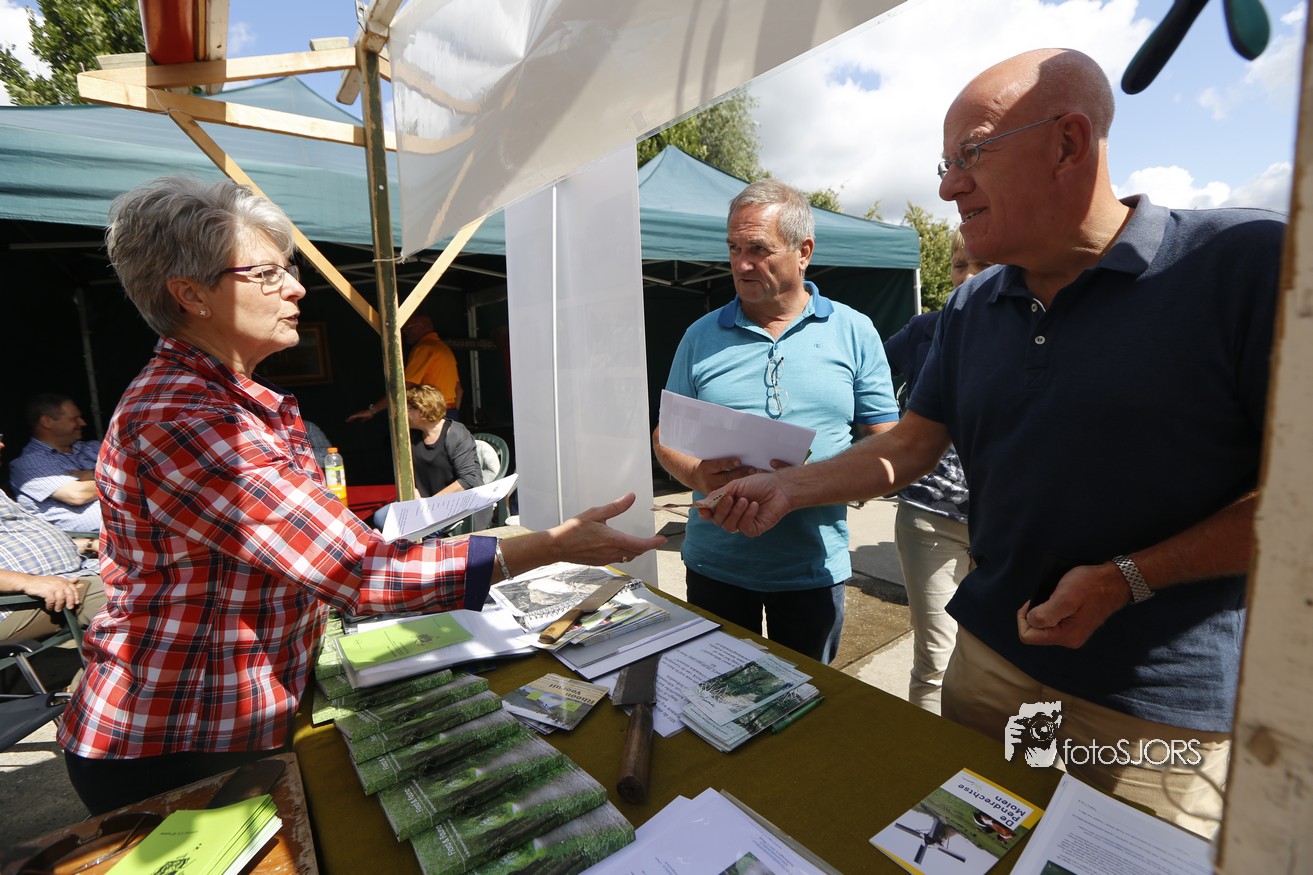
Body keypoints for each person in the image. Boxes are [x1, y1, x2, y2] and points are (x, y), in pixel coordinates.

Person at [701, 49, 1283, 837]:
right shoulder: (972, 305)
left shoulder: (1240, 264)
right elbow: (909, 446)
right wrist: (788, 487)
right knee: (964, 851)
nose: (947, 188)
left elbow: (1296, 499)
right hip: (990, 671)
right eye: (944, 165)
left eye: (970, 155)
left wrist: (1127, 580)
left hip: (1155, 711)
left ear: (1067, 143)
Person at [58, 175, 664, 815]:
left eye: (288, 269)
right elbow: (359, 571)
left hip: (221, 723)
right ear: (190, 295)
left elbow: (308, 556)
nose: (296, 287)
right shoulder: (187, 418)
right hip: (175, 739)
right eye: (266, 274)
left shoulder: (223, 402)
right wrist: (552, 546)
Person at [652, 179, 899, 664]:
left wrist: (826, 483)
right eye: (734, 248)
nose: (741, 264)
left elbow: (888, 442)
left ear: (803, 252)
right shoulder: (700, 336)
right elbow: (665, 434)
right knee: (716, 693)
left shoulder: (854, 330)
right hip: (715, 565)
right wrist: (697, 474)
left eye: (758, 249)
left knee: (807, 699)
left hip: (812, 568)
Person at [882, 230, 992, 713]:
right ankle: (929, 755)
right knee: (936, 660)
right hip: (930, 519)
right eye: (958, 265)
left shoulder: (1036, 331)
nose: (967, 277)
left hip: (1006, 527)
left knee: (1002, 661)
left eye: (981, 265)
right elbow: (866, 376)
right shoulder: (924, 329)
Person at [0, 434, 105, 644]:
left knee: (154, 581)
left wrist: (86, 544)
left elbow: (20, 538)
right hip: (20, 602)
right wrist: (28, 582)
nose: (2, 444)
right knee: (136, 597)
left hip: (73, 576)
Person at [9, 394, 102, 533]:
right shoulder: (28, 462)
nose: (82, 423)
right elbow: (77, 495)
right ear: (46, 422)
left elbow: (136, 469)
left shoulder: (93, 447)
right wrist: (122, 479)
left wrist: (91, 475)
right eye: (74, 418)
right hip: (90, 540)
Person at [348, 312, 464, 423]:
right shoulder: (444, 349)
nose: (404, 332)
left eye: (408, 327)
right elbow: (459, 390)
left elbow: (404, 388)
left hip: (431, 414)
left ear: (423, 326)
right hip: (449, 412)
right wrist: (451, 416)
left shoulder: (424, 349)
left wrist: (373, 410)